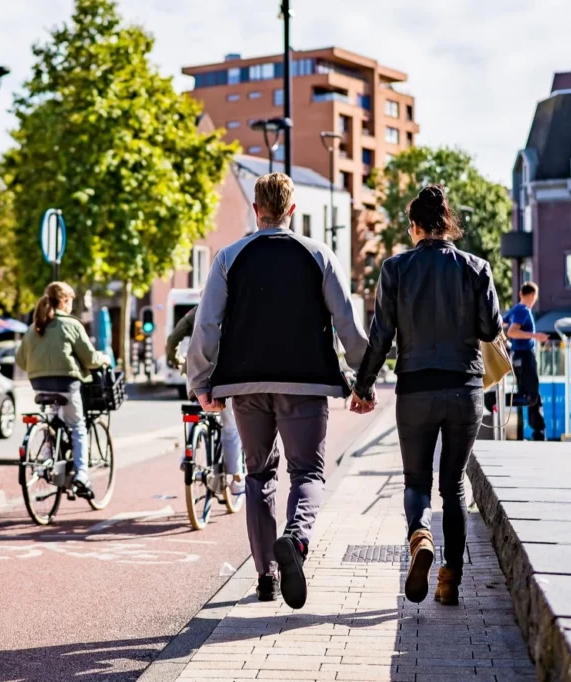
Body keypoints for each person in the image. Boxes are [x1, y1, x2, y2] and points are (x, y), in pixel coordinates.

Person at [188, 172, 367, 609]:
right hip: (306, 384)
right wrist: (363, 378)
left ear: (256, 210)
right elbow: (346, 322)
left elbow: (207, 324)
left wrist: (201, 381)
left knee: (259, 475)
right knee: (307, 473)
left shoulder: (229, 258)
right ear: (291, 210)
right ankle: (297, 540)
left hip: (245, 385)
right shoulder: (317, 255)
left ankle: (265, 575)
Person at [351, 185, 501, 607]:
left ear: (414, 227)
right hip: (464, 387)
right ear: (448, 224)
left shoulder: (395, 269)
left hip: (415, 387)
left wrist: (362, 389)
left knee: (417, 480)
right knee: (452, 484)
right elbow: (490, 330)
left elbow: (380, 336)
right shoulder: (477, 268)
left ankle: (420, 536)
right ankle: (450, 579)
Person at [16, 282, 109, 498]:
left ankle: (50, 460)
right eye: (71, 302)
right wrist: (104, 359)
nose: (71, 307)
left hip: (39, 385)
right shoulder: (71, 325)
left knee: (52, 422)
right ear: (65, 301)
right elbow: (90, 358)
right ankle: (82, 475)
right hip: (66, 385)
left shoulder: (34, 328)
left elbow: (20, 360)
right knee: (77, 425)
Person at [166, 306, 244, 496]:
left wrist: (176, 360)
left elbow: (172, 339)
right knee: (230, 426)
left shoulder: (195, 312)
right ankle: (236, 478)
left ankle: (188, 455)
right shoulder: (233, 309)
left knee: (195, 412)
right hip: (224, 374)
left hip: (194, 372)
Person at [504, 282, 548, 441]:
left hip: (517, 357)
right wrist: (537, 336)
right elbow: (512, 331)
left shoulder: (515, 310)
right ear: (532, 295)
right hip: (525, 356)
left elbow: (500, 324)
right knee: (531, 396)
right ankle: (495, 400)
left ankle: (539, 433)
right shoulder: (523, 311)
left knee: (532, 395)